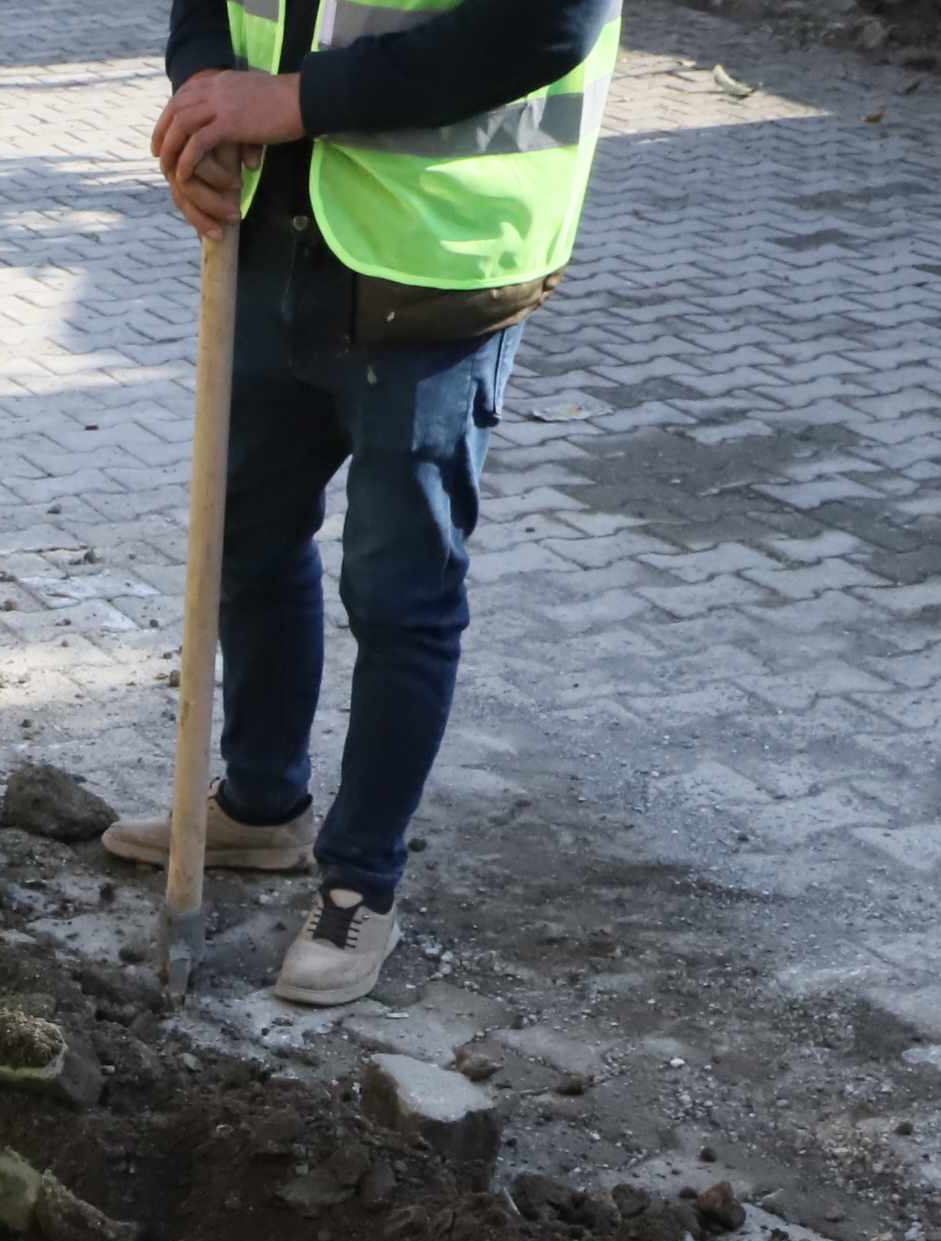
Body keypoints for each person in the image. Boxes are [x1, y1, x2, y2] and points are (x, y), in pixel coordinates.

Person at [116, 0, 624, 1007]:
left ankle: (358, 880)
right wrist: (206, 93)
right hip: (268, 228)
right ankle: (260, 804)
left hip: (434, 263)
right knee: (242, 539)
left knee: (397, 594)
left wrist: (291, 101)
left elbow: (543, 25)